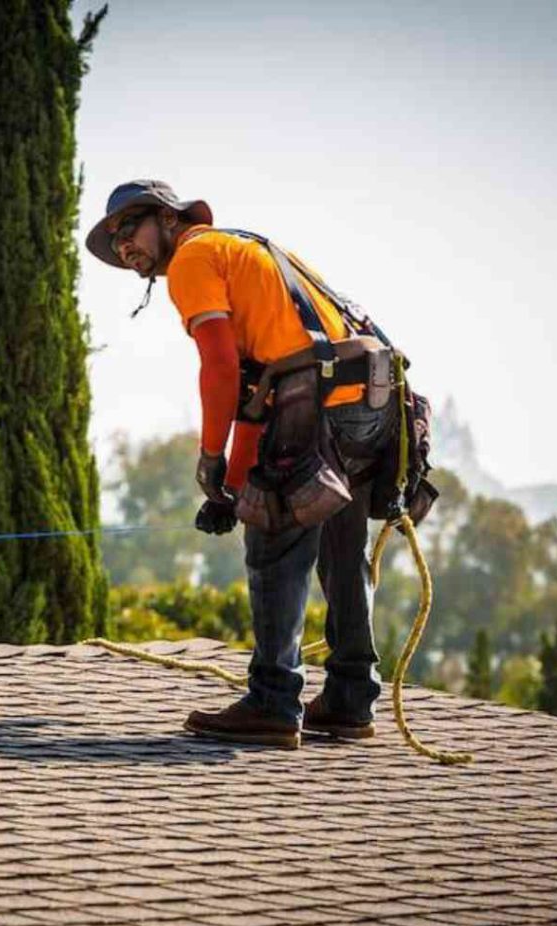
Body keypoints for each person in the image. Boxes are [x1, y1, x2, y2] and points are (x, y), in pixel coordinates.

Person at [86, 180, 397, 751]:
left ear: (170, 218)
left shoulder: (194, 258)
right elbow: (267, 388)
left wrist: (209, 453)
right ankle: (352, 701)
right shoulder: (248, 249)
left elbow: (223, 370)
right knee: (341, 548)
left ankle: (274, 702)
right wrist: (228, 486)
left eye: (129, 229)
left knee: (275, 542)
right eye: (115, 244)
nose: (124, 247)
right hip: (370, 405)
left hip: (319, 407)